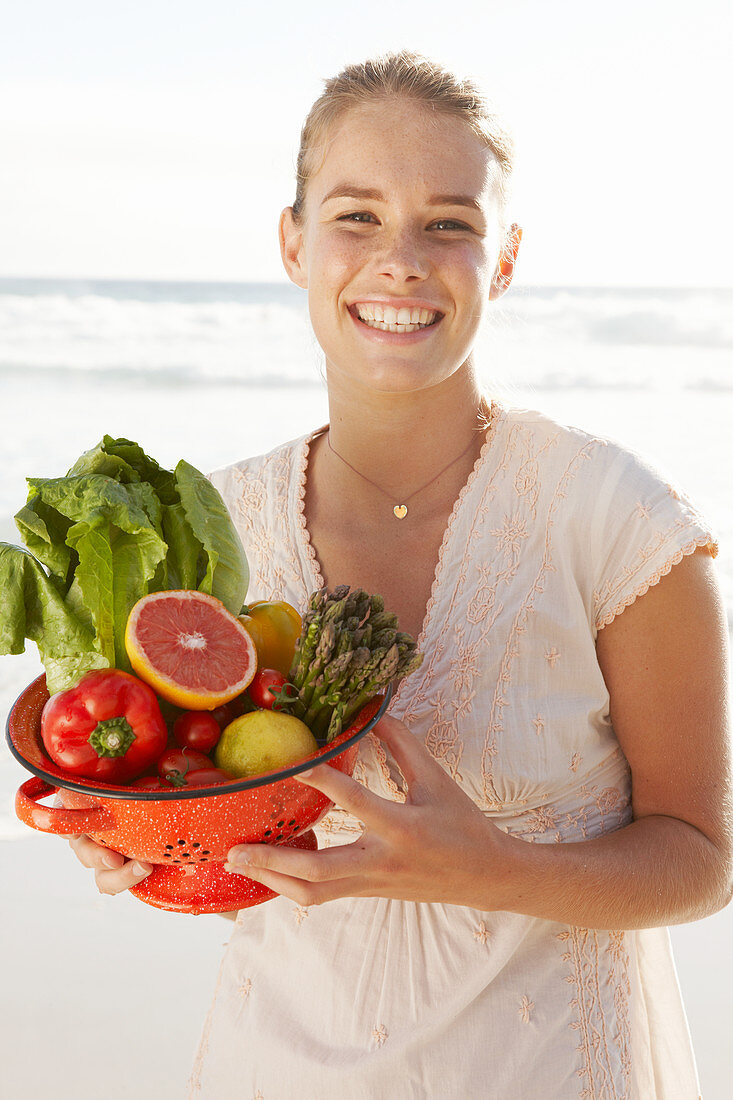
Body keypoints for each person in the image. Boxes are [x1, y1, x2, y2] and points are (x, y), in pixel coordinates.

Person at [68, 52, 731, 1098]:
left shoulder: (616, 517)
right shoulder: (217, 531)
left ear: (504, 258)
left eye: (449, 224)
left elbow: (700, 856)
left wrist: (495, 870)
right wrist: (141, 837)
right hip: (272, 1066)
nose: (401, 260)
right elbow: (192, 788)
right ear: (293, 243)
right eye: (358, 216)